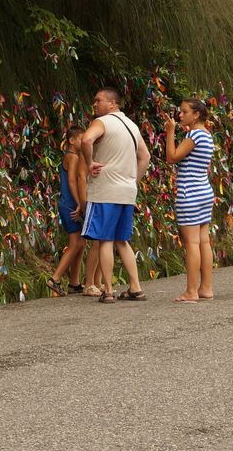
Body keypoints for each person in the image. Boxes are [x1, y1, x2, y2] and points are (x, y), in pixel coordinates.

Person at [80, 87, 151, 303]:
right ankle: (136, 287)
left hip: (105, 190)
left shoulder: (102, 122)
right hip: (127, 191)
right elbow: (145, 156)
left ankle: (108, 290)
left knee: (105, 240)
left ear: (112, 103)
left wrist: (89, 162)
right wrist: (133, 181)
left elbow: (85, 140)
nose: (95, 104)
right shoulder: (132, 125)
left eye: (98, 100)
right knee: (123, 240)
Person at [165, 98, 215, 303]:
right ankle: (206, 288)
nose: (180, 115)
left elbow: (172, 157)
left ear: (196, 115)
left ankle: (191, 291)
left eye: (184, 112)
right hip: (204, 191)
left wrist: (170, 132)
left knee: (192, 243)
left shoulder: (193, 134)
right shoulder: (207, 135)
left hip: (189, 193)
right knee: (204, 241)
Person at [46, 127, 86, 295]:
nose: (84, 142)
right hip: (70, 203)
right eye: (81, 139)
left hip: (67, 203)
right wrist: (79, 204)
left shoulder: (71, 157)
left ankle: (74, 282)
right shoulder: (73, 157)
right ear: (72, 141)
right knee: (76, 243)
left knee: (81, 243)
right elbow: (72, 182)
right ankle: (55, 279)